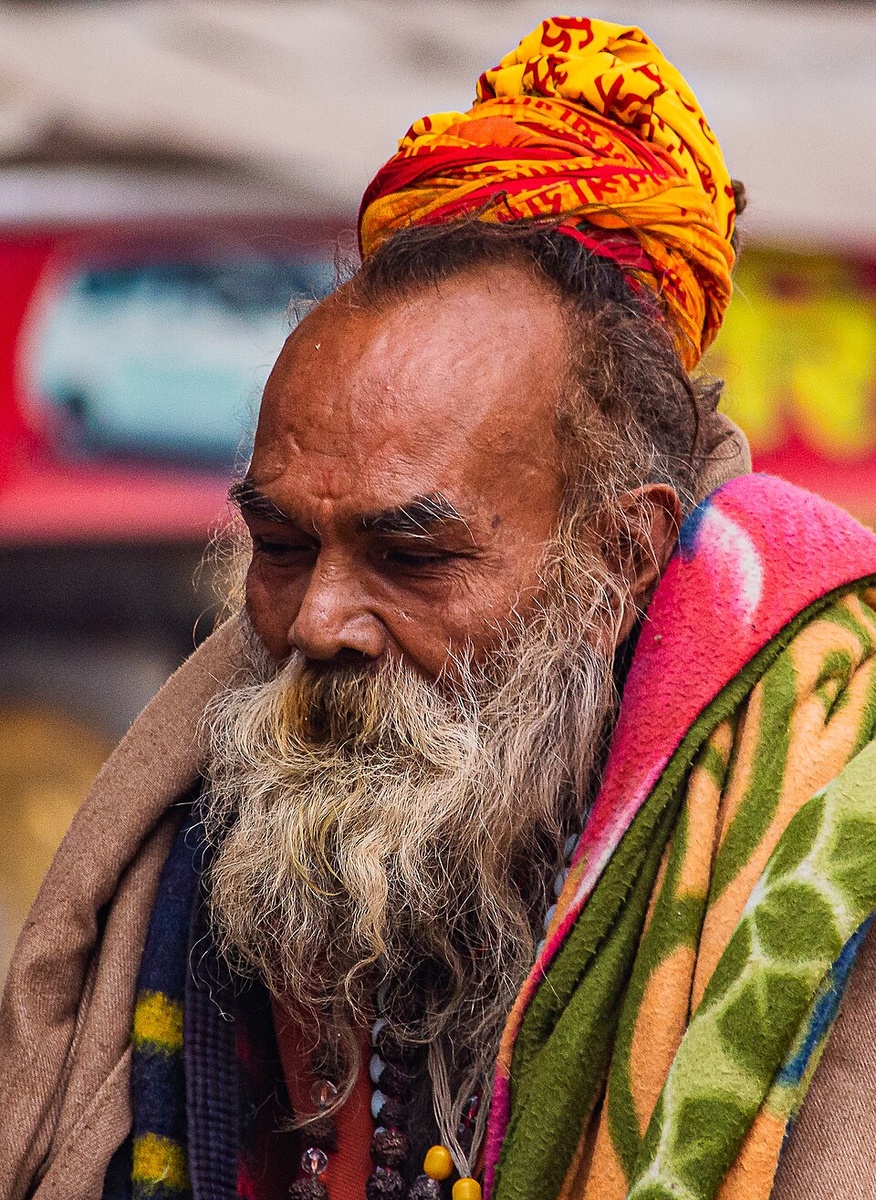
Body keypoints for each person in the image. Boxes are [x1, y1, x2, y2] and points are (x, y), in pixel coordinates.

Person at [3, 16, 876, 1200]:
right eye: (280, 543)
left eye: (410, 558)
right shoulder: (218, 814)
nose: (317, 623)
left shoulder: (825, 787)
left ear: (618, 557)